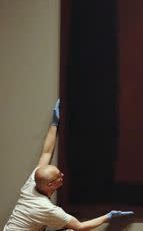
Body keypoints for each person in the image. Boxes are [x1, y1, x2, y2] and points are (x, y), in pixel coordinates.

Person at [3, 99, 134, 231]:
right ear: (50, 185)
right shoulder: (45, 208)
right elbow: (80, 226)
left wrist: (54, 123)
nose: (62, 175)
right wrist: (109, 216)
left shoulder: (33, 182)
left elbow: (46, 153)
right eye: (59, 176)